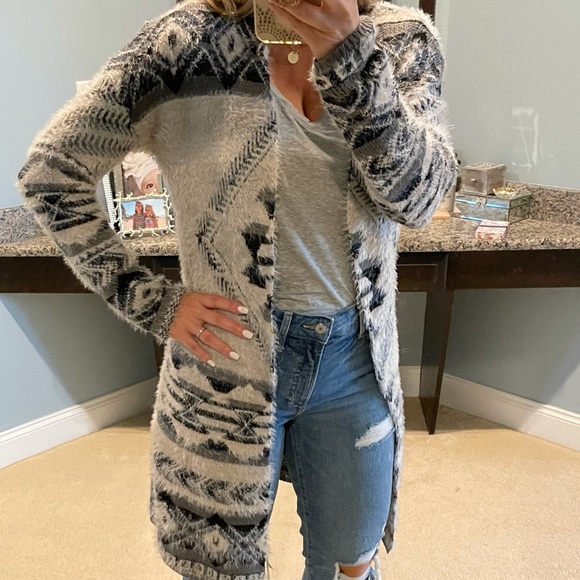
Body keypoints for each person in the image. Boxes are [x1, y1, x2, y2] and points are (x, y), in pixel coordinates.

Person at [16, 0, 457, 578]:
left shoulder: (401, 40)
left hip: (354, 361)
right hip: (224, 359)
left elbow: (419, 201)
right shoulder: (183, 43)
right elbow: (51, 172)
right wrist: (152, 302)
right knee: (220, 565)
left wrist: (351, 57)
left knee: (351, 562)